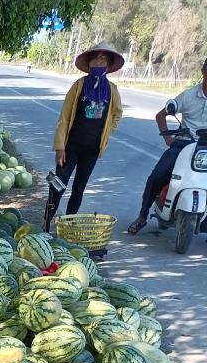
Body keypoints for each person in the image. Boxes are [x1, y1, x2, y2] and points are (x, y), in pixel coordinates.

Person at [127, 57, 207, 234]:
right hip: (185, 144)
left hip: (206, 148)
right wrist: (168, 139)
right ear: (203, 72)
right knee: (158, 174)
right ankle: (142, 216)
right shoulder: (188, 96)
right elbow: (160, 115)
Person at [50, 44, 124, 219]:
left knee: (79, 188)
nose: (100, 60)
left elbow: (117, 114)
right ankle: (46, 222)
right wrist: (60, 147)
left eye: (104, 58)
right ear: (90, 61)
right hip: (70, 147)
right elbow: (64, 117)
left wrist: (107, 132)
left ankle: (68, 223)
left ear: (108, 63)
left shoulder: (112, 90)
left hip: (92, 149)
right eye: (97, 57)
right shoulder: (79, 85)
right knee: (57, 185)